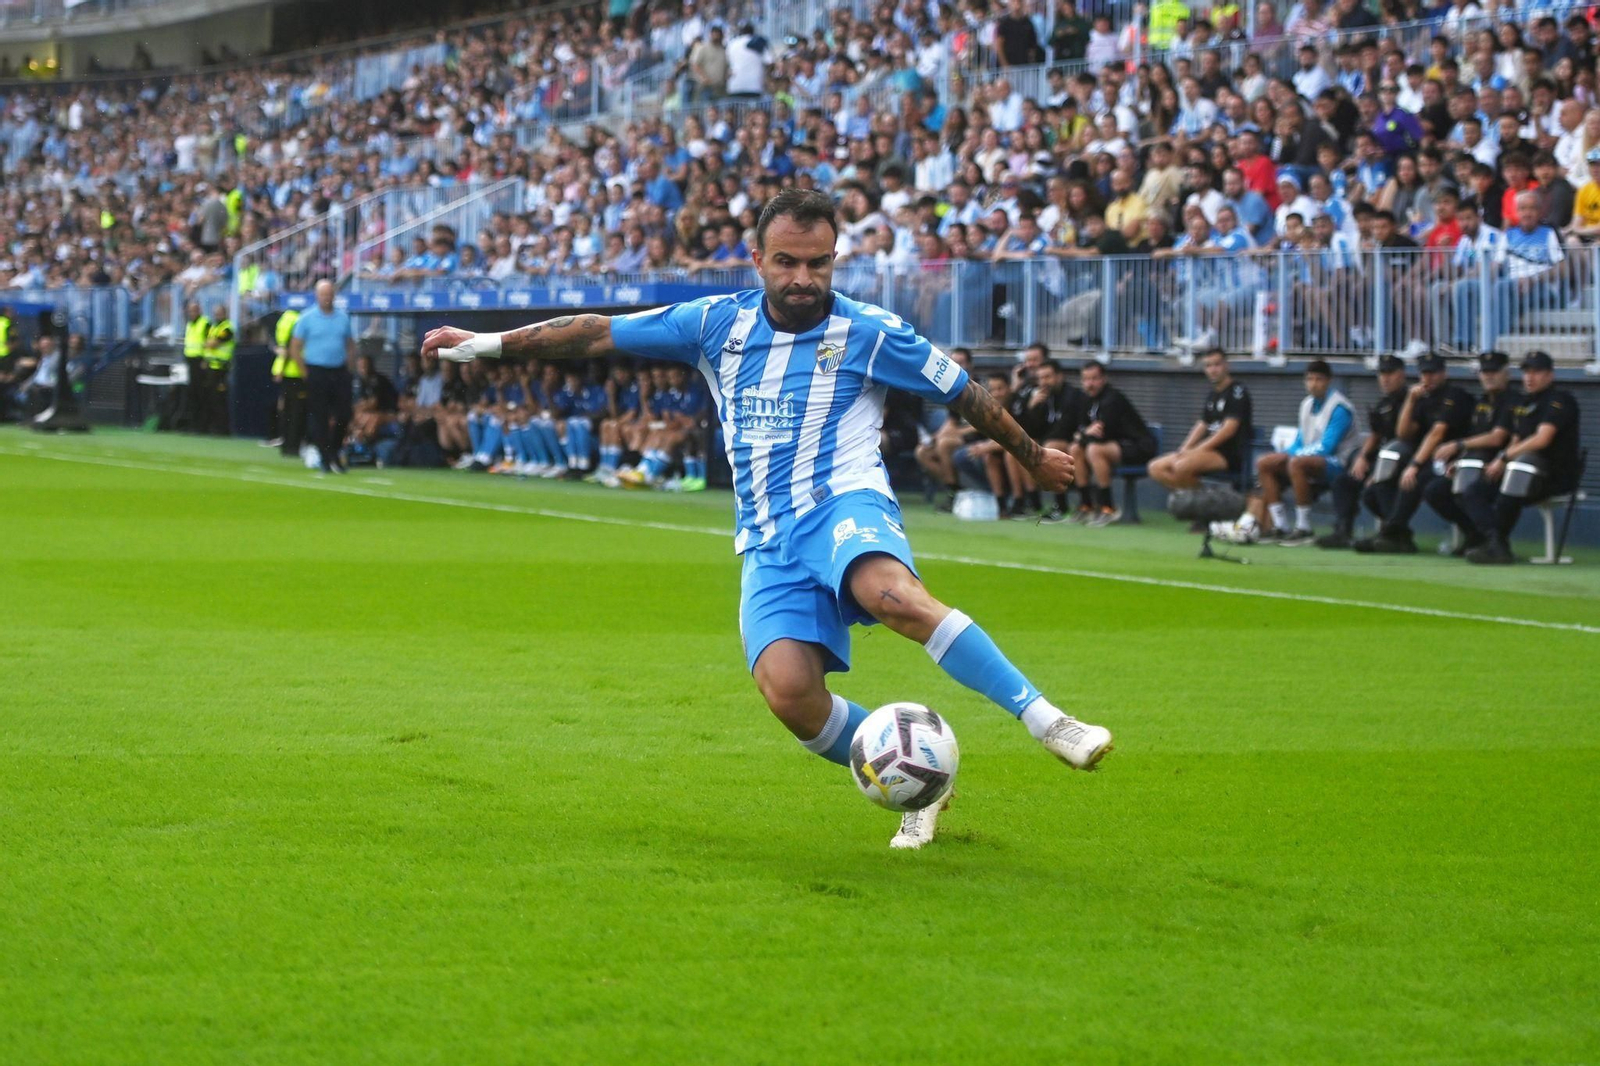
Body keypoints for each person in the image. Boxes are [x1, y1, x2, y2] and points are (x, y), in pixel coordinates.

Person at [422, 189, 1112, 851]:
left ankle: (1049, 721)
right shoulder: (713, 324)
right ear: (757, 259)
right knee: (790, 695)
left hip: (844, 503)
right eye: (786, 261)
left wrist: (1031, 457)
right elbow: (598, 332)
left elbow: (960, 391)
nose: (802, 278)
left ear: (835, 259)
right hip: (767, 536)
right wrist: (484, 343)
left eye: (818, 262)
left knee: (892, 594)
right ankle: (920, 784)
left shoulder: (870, 332)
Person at [1461, 351, 1582, 564]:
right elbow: (1516, 438)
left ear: (1550, 375)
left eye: (1536, 372)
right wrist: (1500, 462)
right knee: (1475, 491)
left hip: (1553, 474)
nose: (1529, 377)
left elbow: (1542, 439)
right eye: (1527, 372)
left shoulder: (1559, 400)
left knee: (1512, 484)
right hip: (1521, 472)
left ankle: (1496, 546)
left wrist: (1505, 457)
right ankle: (1496, 542)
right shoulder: (1525, 404)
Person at [1353, 352, 1472, 553]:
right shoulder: (1422, 399)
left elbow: (1437, 433)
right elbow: (1403, 433)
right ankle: (1398, 534)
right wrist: (1410, 400)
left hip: (1452, 459)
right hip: (1428, 458)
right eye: (1425, 373)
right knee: (1372, 492)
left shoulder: (1454, 395)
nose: (1428, 378)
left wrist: (1414, 465)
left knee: (1414, 480)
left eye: (1433, 373)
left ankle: (1392, 534)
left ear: (1444, 373)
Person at [1225, 360, 1354, 546]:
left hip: (1339, 462)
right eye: (1309, 379)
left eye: (1319, 379)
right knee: (1265, 463)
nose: (1313, 384)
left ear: (1328, 381)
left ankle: (1304, 528)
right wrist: (1285, 453)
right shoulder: (1306, 404)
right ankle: (1280, 526)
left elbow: (1327, 447)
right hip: (1309, 460)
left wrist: (1291, 456)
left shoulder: (1339, 408)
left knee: (1295, 463)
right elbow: (1300, 441)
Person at [1424, 350, 1517, 556]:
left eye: (1494, 371)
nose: (1489, 376)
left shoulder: (1513, 401)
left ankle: (1495, 541)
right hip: (1475, 465)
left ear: (1506, 373)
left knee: (1472, 492)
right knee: (1435, 491)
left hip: (1500, 467)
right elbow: (1474, 438)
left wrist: (1458, 445)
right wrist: (1459, 461)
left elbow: (1497, 438)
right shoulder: (1481, 403)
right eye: (1485, 371)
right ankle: (1474, 534)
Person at [1147, 347, 1252, 491]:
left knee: (1181, 466)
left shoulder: (1237, 391)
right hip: (1207, 451)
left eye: (1217, 364)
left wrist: (1198, 449)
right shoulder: (1213, 394)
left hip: (1229, 454)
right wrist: (1184, 448)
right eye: (1208, 366)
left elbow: (1228, 430)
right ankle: (1198, 497)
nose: (1213, 370)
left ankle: (1199, 500)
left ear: (1226, 365)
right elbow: (1202, 424)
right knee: (1155, 468)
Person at [291, 280, 357, 474]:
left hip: (339, 370)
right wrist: (304, 372)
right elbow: (295, 347)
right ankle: (325, 458)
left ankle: (335, 450)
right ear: (317, 296)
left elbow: (350, 344)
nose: (327, 298)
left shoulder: (343, 317)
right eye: (323, 294)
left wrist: (350, 368)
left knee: (344, 413)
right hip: (316, 370)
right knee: (319, 416)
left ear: (334, 296)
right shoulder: (307, 317)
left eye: (329, 294)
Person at [267, 307, 304, 456]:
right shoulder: (298, 320)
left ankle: (286, 443)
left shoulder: (283, 319)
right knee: (296, 411)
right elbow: (291, 346)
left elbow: (281, 346)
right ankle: (293, 446)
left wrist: (279, 368)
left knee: (286, 409)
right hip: (296, 371)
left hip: (285, 370)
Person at [201, 301, 235, 436]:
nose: (217, 316)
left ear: (225, 314)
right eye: (216, 313)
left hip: (221, 369)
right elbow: (207, 343)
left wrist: (208, 343)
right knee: (211, 398)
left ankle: (222, 429)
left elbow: (212, 344)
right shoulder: (214, 327)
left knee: (220, 399)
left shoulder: (227, 328)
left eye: (219, 313)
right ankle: (213, 427)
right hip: (211, 367)